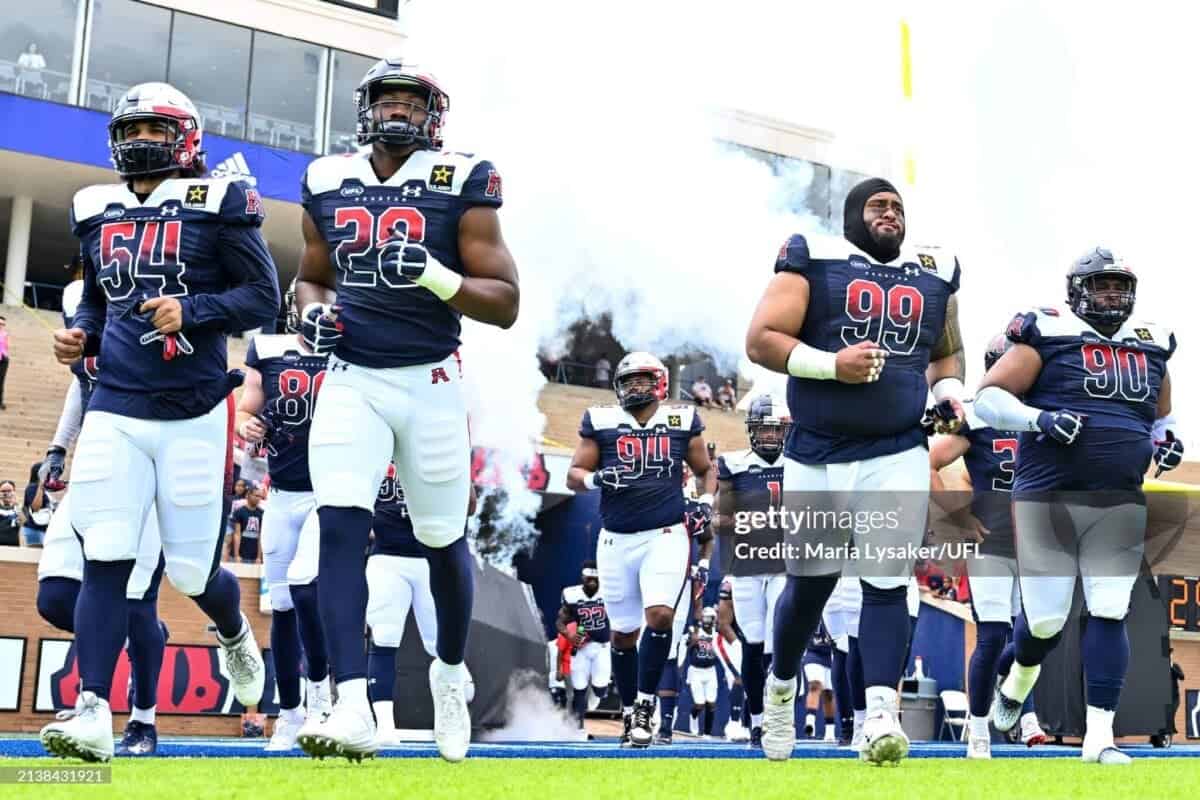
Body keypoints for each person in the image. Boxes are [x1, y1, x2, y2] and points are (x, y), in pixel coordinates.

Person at [43, 81, 278, 762]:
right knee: (106, 558)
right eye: (134, 130)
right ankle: (93, 709)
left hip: (196, 409)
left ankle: (233, 632)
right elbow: (95, 299)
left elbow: (261, 296)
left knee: (190, 573)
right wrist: (81, 335)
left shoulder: (219, 202)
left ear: (187, 138)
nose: (144, 142)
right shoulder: (93, 207)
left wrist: (195, 311)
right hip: (116, 403)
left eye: (158, 130)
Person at [293, 58, 518, 764]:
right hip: (351, 377)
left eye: (410, 102)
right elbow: (310, 279)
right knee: (338, 524)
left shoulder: (462, 179)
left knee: (442, 539)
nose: (397, 112)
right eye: (386, 100)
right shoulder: (327, 178)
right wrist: (312, 319)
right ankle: (351, 700)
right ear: (365, 108)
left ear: (434, 115)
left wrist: (433, 272)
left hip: (431, 380)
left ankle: (451, 673)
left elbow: (505, 302)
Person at [745, 176, 966, 764]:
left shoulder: (935, 268)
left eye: (898, 206)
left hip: (897, 448)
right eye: (878, 205)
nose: (890, 213)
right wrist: (830, 366)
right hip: (818, 451)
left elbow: (946, 349)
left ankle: (878, 716)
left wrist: (947, 389)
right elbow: (761, 340)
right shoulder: (813, 256)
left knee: (887, 580)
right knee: (810, 588)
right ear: (851, 216)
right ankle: (780, 689)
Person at [974, 247, 1180, 765]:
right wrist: (1037, 421)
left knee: (1111, 609)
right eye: (1102, 285)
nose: (1112, 295)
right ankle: (1017, 679)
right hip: (1049, 496)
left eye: (1119, 286)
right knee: (1045, 622)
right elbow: (989, 398)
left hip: (1118, 497)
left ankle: (1099, 737)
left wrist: (1169, 441)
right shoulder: (1048, 331)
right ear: (1077, 291)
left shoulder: (1151, 345)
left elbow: (1161, 416)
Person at [567, 351, 716, 748]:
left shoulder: (682, 419)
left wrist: (706, 504)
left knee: (661, 616)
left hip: (665, 534)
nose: (634, 387)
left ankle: (647, 705)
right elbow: (574, 475)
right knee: (622, 636)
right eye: (628, 380)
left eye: (641, 380)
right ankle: (631, 708)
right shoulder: (600, 420)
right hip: (616, 539)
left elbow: (705, 471)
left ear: (660, 382)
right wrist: (599, 478)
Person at [35, 319, 169, 757]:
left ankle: (140, 719)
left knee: (135, 602)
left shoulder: (154, 316)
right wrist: (58, 448)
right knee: (54, 596)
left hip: (150, 470)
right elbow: (82, 384)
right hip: (96, 468)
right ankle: (131, 639)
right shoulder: (92, 321)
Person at [928, 333, 1046, 759]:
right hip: (991, 542)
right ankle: (979, 730)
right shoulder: (975, 418)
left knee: (1035, 634)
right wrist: (955, 516)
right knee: (994, 635)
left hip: (1035, 545)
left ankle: (1018, 704)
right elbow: (930, 459)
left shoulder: (1042, 414)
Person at [235, 284, 332, 750]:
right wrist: (246, 424)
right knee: (284, 607)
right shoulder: (269, 347)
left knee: (306, 587)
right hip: (284, 492)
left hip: (330, 493)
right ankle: (289, 713)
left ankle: (320, 700)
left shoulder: (354, 350)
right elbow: (247, 411)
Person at [367, 466, 475, 746]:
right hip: (387, 556)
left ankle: (454, 678)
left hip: (432, 556)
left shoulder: (431, 447)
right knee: (384, 635)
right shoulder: (375, 446)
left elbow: (470, 505)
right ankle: (385, 725)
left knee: (437, 642)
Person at [713, 394, 790, 748]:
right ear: (752, 430)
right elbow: (720, 516)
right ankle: (756, 721)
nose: (771, 436)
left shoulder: (799, 463)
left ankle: (778, 720)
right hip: (746, 564)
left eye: (776, 430)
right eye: (765, 429)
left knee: (778, 644)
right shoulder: (734, 463)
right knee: (753, 646)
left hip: (783, 565)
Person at [556, 560, 611, 728]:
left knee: (600, 689)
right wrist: (568, 635)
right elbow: (560, 621)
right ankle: (577, 727)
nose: (593, 583)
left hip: (602, 646)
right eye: (589, 579)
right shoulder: (571, 594)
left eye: (596, 580)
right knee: (579, 690)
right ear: (583, 578)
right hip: (581, 647)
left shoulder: (608, 592)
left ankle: (596, 695)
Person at [685, 607, 720, 739]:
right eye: (705, 617)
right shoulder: (695, 631)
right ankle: (693, 719)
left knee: (711, 703)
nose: (707, 621)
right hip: (696, 670)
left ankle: (707, 733)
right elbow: (686, 648)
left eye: (709, 618)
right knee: (699, 703)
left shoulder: (717, 634)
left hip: (711, 670)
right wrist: (692, 642)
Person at [230, 487, 264, 564]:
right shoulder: (239, 512)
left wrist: (259, 557)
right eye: (256, 495)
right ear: (248, 495)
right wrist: (236, 555)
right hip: (240, 555)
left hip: (254, 557)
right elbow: (237, 534)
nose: (258, 498)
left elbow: (261, 536)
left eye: (260, 496)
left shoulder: (262, 514)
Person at [22, 462, 50, 547]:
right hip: (34, 529)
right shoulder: (32, 487)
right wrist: (41, 487)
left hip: (42, 528)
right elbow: (35, 507)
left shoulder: (42, 488)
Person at [0, 481, 22, 546]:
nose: (6, 493)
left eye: (9, 491)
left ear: (14, 492)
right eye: (3, 491)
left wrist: (16, 504)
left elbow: (23, 522)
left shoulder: (19, 508)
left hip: (13, 547)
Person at [0, 315, 9, 410]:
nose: (1, 326)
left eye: (3, 324)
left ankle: (0, 401)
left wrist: (5, 355)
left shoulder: (5, 334)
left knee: (1, 381)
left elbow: (6, 346)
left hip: (3, 359)